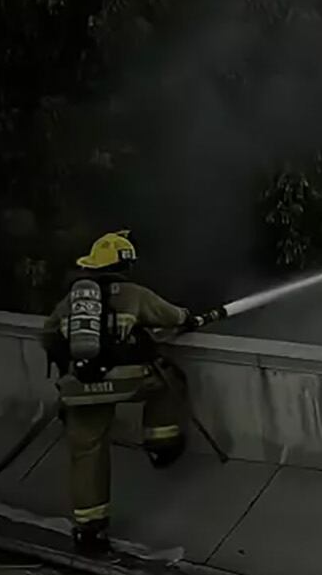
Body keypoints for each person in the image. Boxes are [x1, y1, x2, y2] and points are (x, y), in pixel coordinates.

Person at [40, 231, 222, 556]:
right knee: (168, 380)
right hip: (126, 380)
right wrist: (189, 319)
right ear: (125, 266)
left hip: (80, 387)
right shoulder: (134, 294)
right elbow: (174, 316)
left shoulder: (72, 301)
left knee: (86, 453)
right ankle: (161, 444)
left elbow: (48, 335)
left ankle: (89, 531)